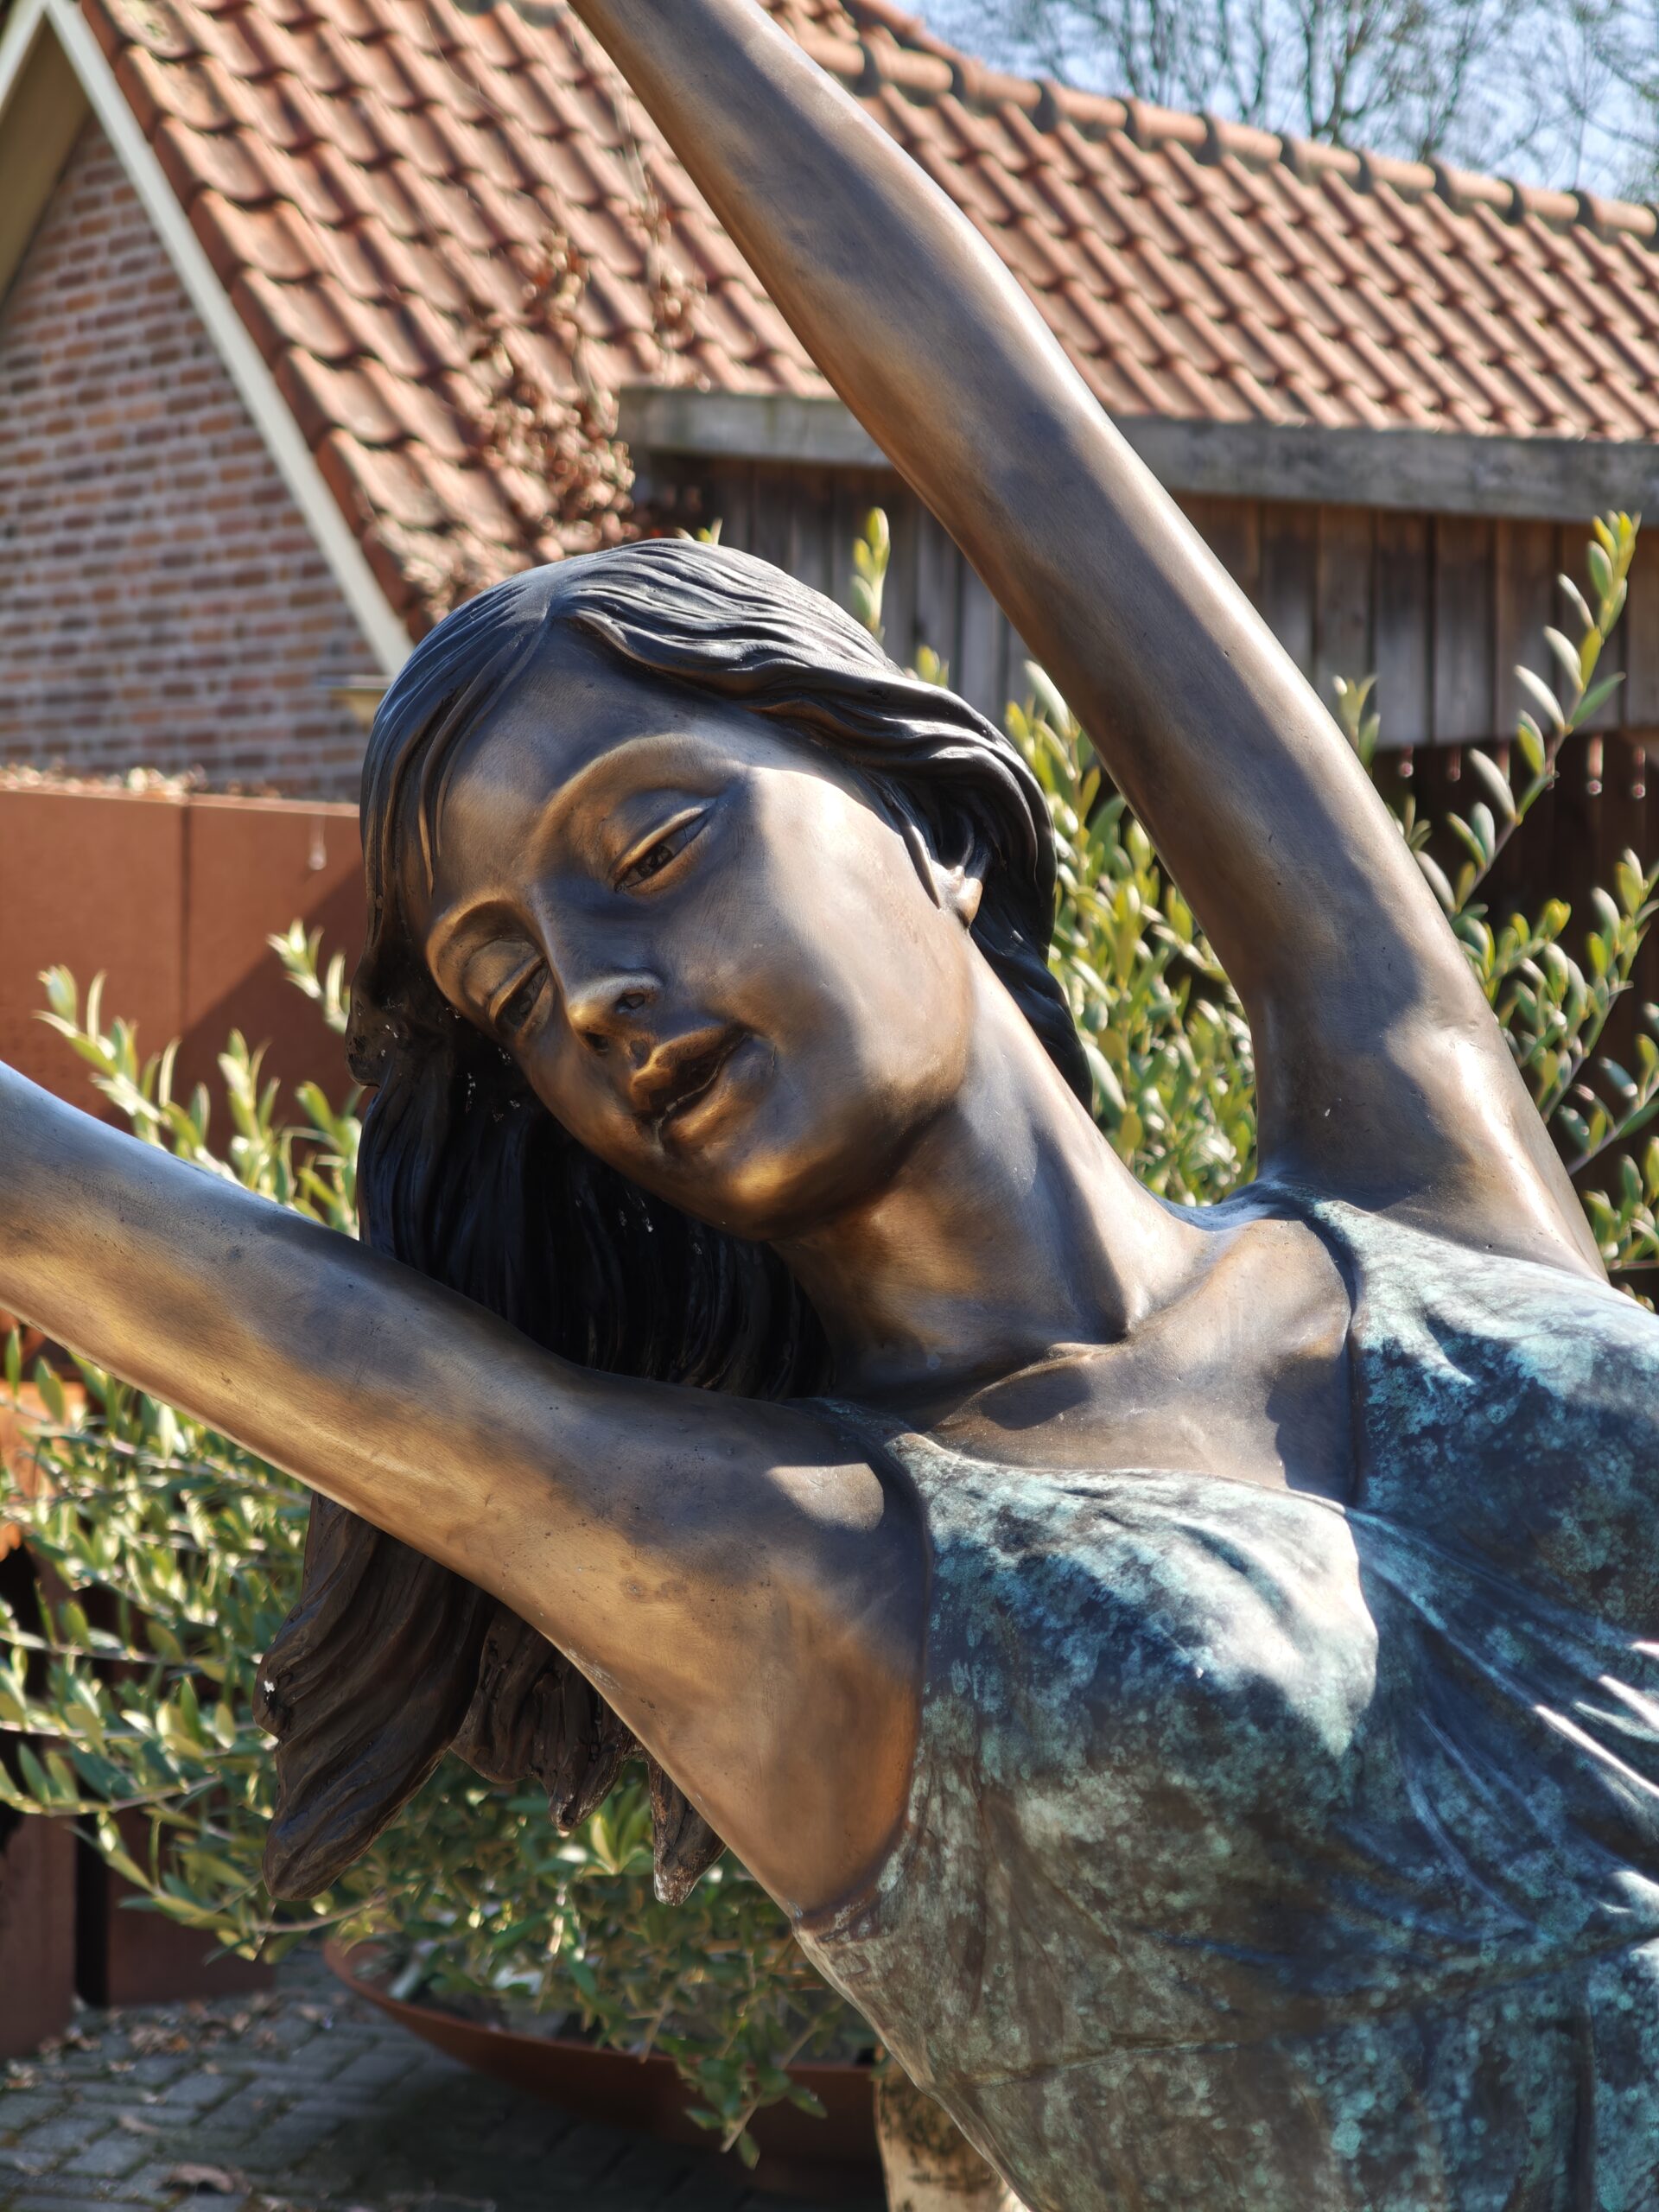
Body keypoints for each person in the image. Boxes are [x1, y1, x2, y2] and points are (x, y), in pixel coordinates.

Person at [1, 2, 1656, 2203]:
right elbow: (58, 1206)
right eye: (510, 986)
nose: (595, 989)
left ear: (930, 813)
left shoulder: (1421, 1172)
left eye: (653, 842)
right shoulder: (792, 1563)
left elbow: (1031, 453)